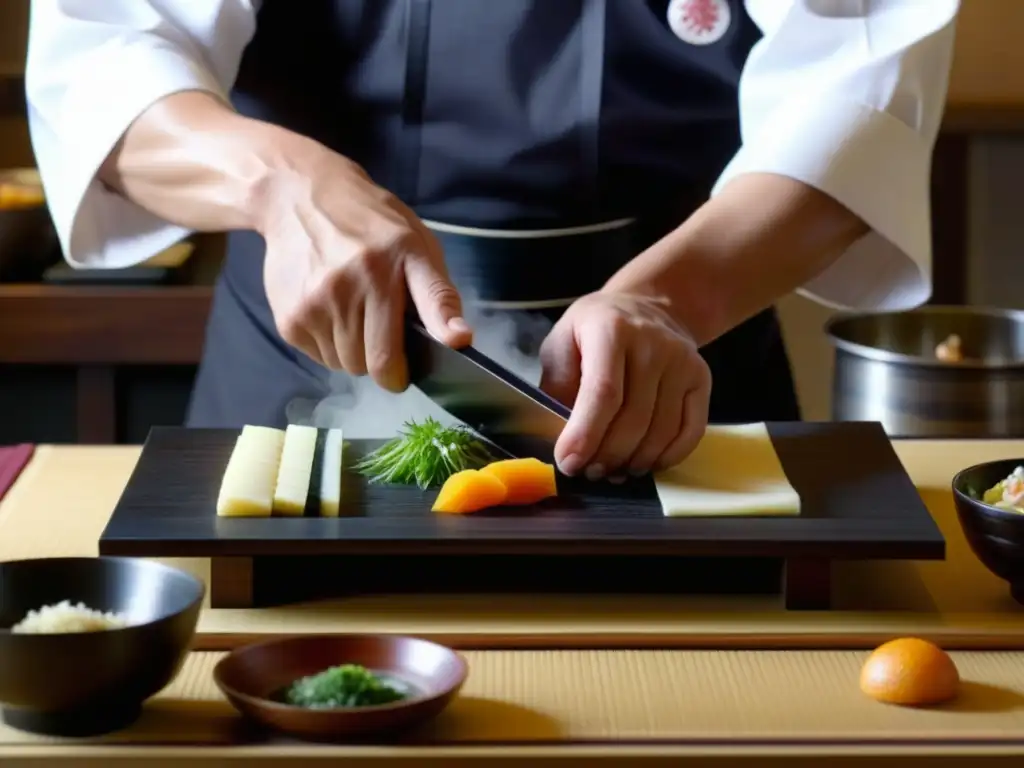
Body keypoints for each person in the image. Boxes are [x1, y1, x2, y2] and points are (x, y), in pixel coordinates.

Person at [25, 0, 959, 481]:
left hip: (677, 361)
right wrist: (282, 185)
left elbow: (864, 75)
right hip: (303, 359)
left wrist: (666, 301)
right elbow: (102, 55)